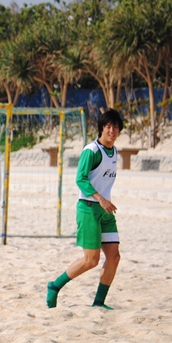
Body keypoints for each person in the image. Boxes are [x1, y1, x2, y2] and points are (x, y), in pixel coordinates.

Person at [46, 109, 124, 310]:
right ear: (101, 128)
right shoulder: (92, 150)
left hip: (106, 210)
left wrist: (105, 201)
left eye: (115, 127)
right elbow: (80, 179)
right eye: (108, 127)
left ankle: (99, 302)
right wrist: (100, 198)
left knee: (114, 257)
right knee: (91, 260)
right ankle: (55, 286)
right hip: (89, 208)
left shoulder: (114, 151)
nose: (112, 130)